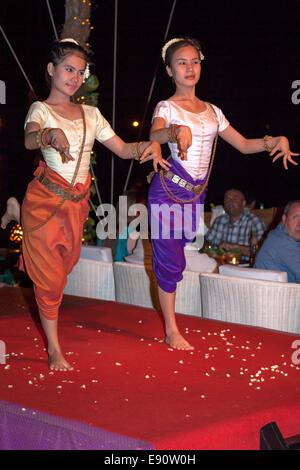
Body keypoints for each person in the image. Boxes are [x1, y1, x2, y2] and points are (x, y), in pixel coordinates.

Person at [3, 38, 169, 372]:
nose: (74, 77)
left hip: (75, 205)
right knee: (49, 280)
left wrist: (160, 140)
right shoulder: (41, 110)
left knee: (65, 267)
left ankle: (14, 209)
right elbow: (28, 138)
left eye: (80, 72)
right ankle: (54, 349)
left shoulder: (91, 114)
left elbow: (123, 149)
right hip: (47, 199)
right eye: (68, 69)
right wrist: (49, 136)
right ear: (51, 70)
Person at [148, 37, 298, 351]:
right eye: (181, 63)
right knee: (170, 260)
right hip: (168, 191)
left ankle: (171, 325)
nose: (189, 68)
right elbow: (155, 136)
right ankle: (172, 330)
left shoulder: (213, 112)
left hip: (195, 195)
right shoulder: (167, 107)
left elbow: (244, 145)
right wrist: (175, 131)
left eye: (194, 62)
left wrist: (275, 140)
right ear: (169, 70)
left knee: (179, 258)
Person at [204, 188, 265, 261]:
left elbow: (262, 252)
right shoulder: (220, 220)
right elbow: (207, 242)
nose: (230, 202)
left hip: (245, 266)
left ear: (243, 203)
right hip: (221, 264)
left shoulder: (254, 222)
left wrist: (234, 247)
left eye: (235, 199)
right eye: (227, 199)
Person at [254, 200, 300, 283]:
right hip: (274, 295)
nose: (299, 224)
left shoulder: (278, 235)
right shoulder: (283, 242)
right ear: (284, 219)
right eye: (295, 217)